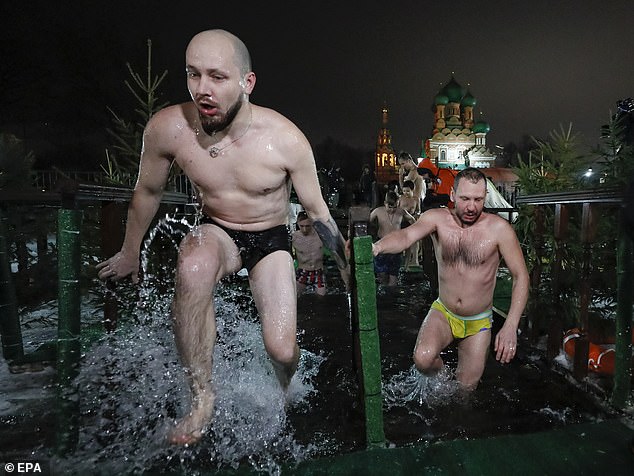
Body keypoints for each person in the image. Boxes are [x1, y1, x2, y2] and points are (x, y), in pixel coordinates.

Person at [96, 29, 349, 446]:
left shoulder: (285, 139)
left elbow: (318, 213)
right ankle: (202, 398)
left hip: (270, 239)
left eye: (216, 77)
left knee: (283, 350)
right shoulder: (169, 128)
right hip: (218, 230)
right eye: (193, 75)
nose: (202, 90)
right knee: (192, 262)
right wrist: (128, 252)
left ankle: (286, 389)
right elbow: (148, 191)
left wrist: (346, 269)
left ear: (246, 83)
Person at [373, 167, 529, 390]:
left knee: (466, 390)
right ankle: (444, 379)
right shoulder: (437, 219)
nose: (471, 206)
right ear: (453, 195)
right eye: (465, 198)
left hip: (479, 321)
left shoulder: (499, 230)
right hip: (444, 312)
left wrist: (511, 325)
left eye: (478, 199)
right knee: (423, 359)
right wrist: (376, 247)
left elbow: (520, 276)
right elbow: (406, 236)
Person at [370, 191, 415, 287]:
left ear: (397, 204)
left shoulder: (401, 212)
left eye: (394, 207)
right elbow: (366, 221)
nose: (392, 210)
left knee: (393, 280)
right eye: (389, 207)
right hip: (381, 244)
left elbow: (412, 220)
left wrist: (412, 232)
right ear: (385, 203)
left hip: (396, 246)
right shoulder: (378, 211)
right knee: (382, 277)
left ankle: (392, 298)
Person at [292, 211, 327, 296]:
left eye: (307, 226)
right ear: (298, 224)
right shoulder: (293, 237)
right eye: (301, 226)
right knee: (294, 298)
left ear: (312, 223)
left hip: (318, 272)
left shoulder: (321, 235)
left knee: (322, 298)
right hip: (302, 271)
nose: (304, 229)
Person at [398, 180, 421, 270]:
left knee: (415, 242)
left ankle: (414, 260)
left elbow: (419, 210)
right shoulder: (401, 198)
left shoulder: (416, 199)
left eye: (408, 191)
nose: (405, 193)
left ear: (412, 190)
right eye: (404, 191)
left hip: (412, 222)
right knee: (403, 243)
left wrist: (417, 214)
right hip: (402, 222)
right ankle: (403, 263)